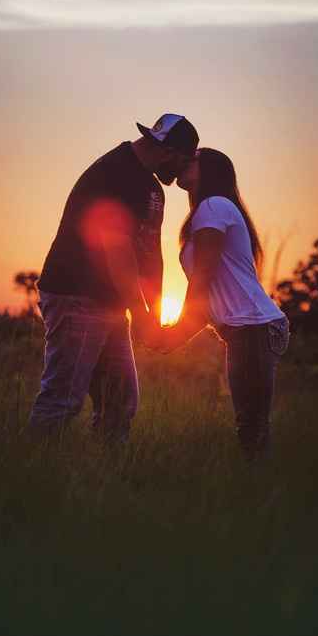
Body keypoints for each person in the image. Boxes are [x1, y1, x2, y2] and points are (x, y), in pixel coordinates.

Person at [28, 114, 200, 442]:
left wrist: (155, 312)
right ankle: (33, 478)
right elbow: (116, 251)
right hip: (77, 295)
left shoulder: (151, 188)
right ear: (169, 152)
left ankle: (111, 478)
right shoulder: (113, 174)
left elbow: (151, 255)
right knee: (62, 399)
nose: (179, 173)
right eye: (182, 162)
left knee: (119, 401)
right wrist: (140, 313)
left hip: (110, 303)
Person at [150, 148, 289, 459]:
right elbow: (207, 303)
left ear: (211, 171)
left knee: (251, 425)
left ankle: (259, 495)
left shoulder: (213, 206)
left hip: (253, 327)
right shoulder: (208, 211)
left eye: (193, 158)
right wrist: (171, 339)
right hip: (248, 328)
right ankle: (258, 489)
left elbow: (202, 280)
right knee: (251, 424)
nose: (185, 160)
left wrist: (171, 336)